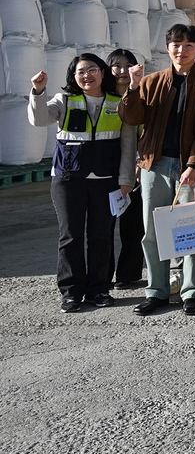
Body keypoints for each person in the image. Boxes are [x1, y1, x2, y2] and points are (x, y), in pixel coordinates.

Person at [119, 24, 195, 316]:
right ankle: (157, 291)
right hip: (154, 165)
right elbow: (131, 118)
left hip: (192, 167)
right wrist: (133, 87)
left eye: (189, 45)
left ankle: (193, 292)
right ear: (168, 48)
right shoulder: (151, 81)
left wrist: (194, 163)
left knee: (194, 229)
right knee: (153, 231)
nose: (182, 50)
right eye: (176, 45)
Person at [28, 54, 138, 312]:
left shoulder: (117, 102)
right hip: (68, 180)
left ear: (103, 72)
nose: (87, 75)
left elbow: (128, 144)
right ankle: (71, 292)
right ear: (73, 76)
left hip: (106, 181)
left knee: (101, 237)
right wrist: (38, 92)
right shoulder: (64, 100)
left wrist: (126, 180)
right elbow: (39, 119)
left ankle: (99, 289)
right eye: (81, 71)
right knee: (70, 236)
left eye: (92, 70)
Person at [106, 49, 146, 289]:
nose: (122, 70)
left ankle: (128, 274)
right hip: (107, 167)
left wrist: (142, 162)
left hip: (136, 168)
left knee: (133, 225)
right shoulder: (103, 95)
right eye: (117, 65)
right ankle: (103, 275)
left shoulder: (144, 94)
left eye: (128, 65)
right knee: (104, 227)